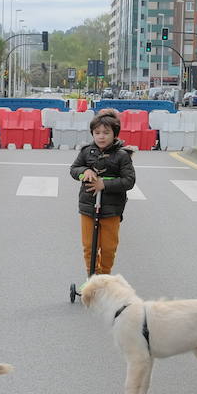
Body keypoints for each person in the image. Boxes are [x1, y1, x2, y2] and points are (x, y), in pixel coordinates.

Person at [69, 113, 136, 277]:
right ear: (92, 133)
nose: (101, 136)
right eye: (97, 132)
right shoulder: (86, 152)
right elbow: (73, 170)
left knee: (108, 247)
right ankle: (92, 277)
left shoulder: (122, 155)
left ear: (115, 134)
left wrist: (103, 184)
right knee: (89, 246)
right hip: (88, 207)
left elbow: (129, 181)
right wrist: (85, 171)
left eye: (106, 133)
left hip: (112, 209)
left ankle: (105, 276)